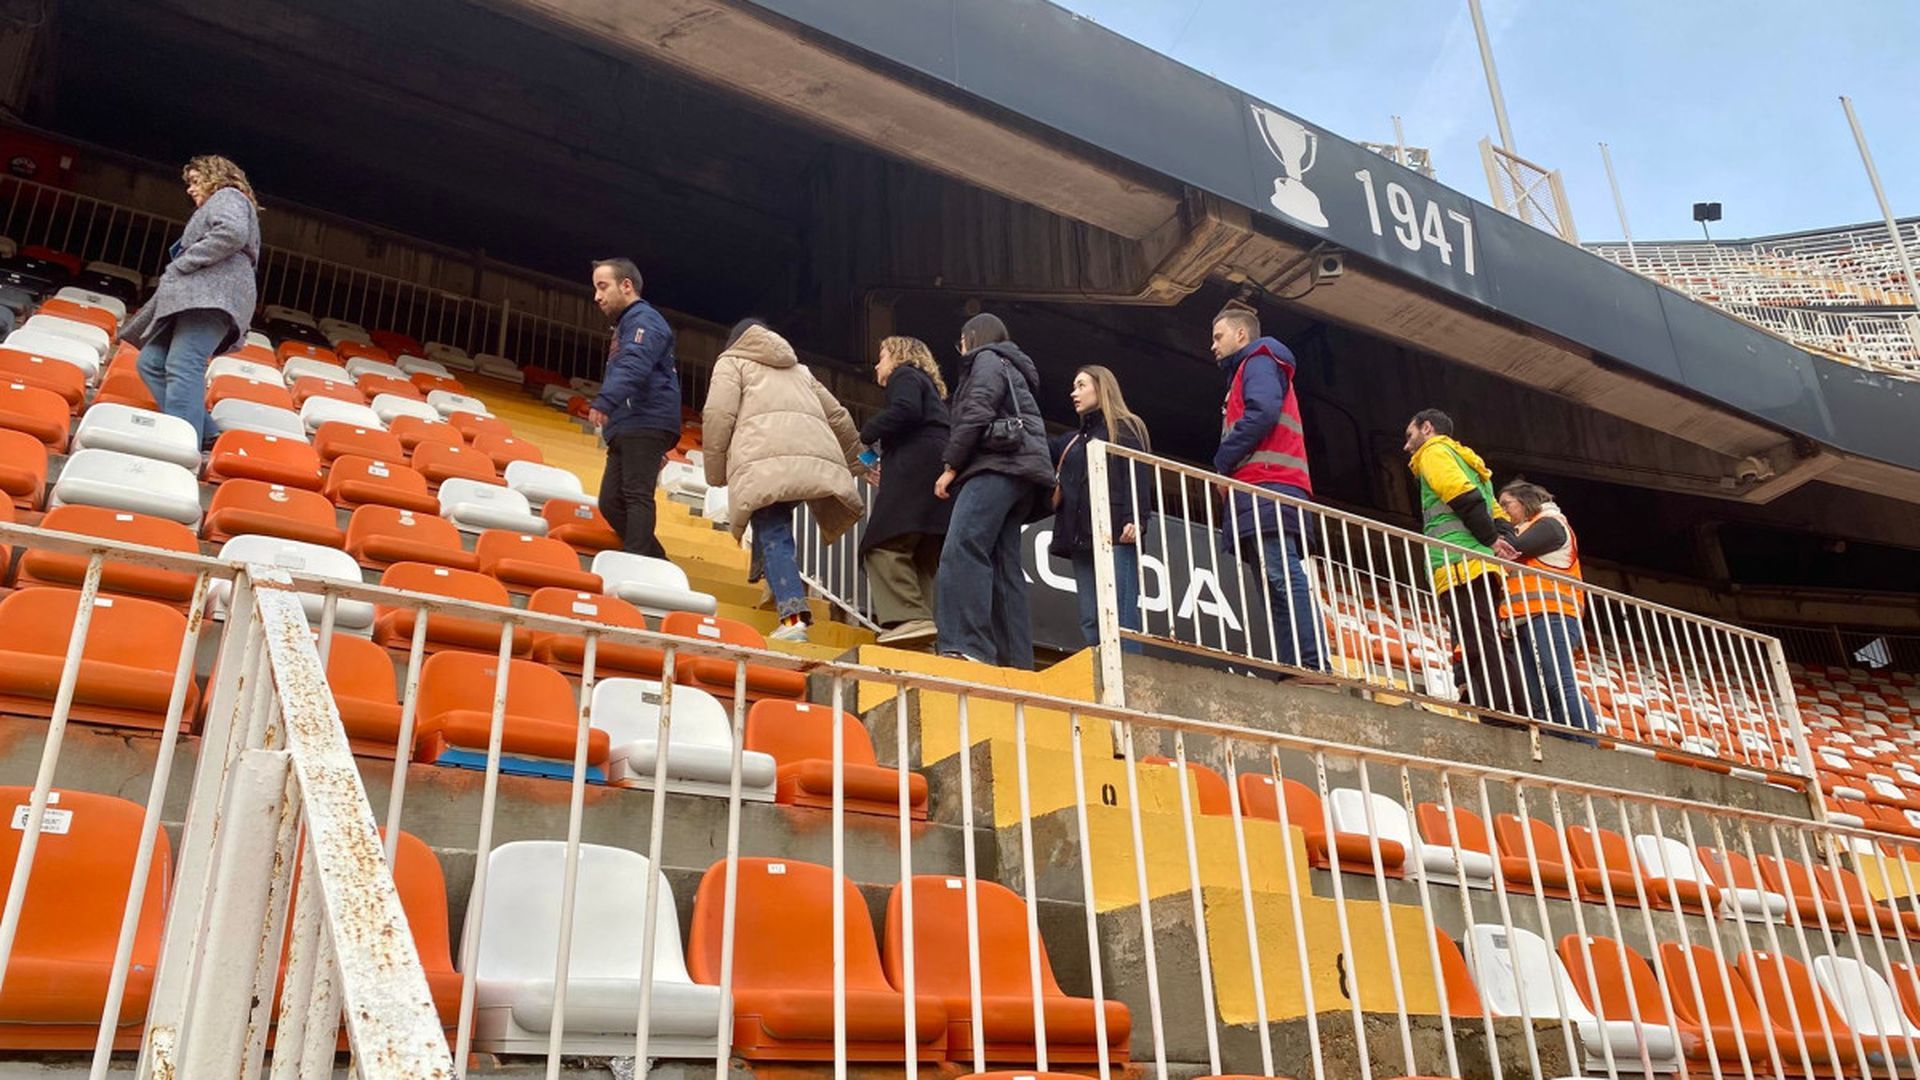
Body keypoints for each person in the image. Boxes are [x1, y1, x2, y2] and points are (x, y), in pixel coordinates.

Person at [702, 319, 864, 643]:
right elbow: (839, 416)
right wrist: (859, 460)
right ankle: (773, 592)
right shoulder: (799, 370)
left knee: (771, 526)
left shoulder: (732, 362)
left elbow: (718, 414)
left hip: (764, 460)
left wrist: (715, 472)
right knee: (773, 522)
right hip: (804, 459)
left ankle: (792, 618)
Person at [935, 313, 1053, 667]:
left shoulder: (986, 360)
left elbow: (976, 411)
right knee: (1005, 568)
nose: (961, 348)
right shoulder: (1013, 364)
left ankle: (965, 644)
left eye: (961, 340)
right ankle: (1016, 662)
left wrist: (951, 466)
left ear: (972, 336)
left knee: (962, 548)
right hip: (1021, 474)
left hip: (994, 466)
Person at [1210, 307, 1324, 672]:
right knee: (1273, 581)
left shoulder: (1258, 360)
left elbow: (1262, 412)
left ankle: (1311, 663)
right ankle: (1295, 667)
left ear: (1241, 335)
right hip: (1262, 485)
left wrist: (1222, 461)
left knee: (1280, 574)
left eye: (1218, 336)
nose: (1212, 346)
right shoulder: (1252, 368)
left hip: (1269, 484)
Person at [120, 155, 261, 448]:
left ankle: (181, 447)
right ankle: (205, 432)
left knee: (184, 364)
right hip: (199, 296)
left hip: (211, 295)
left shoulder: (227, 195)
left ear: (215, 177)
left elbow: (232, 233)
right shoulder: (229, 200)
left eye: (196, 181)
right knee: (151, 361)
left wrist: (185, 263)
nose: (190, 189)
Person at [1403, 408, 1526, 715]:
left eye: (1409, 435)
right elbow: (1497, 512)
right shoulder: (1468, 461)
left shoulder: (1433, 452)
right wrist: (1500, 541)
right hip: (1479, 563)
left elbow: (1463, 496)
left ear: (1427, 428)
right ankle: (1510, 710)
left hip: (1459, 563)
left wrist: (1491, 540)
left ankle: (1503, 715)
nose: (1406, 446)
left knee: (1478, 643)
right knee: (1487, 639)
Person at [858, 336, 952, 646]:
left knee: (882, 543)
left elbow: (905, 410)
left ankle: (909, 618)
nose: (877, 364)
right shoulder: (931, 390)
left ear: (899, 356)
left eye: (882, 355)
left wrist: (869, 431)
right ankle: (921, 634)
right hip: (937, 467)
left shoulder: (905, 374)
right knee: (921, 557)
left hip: (917, 465)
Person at [589, 257, 682, 559]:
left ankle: (638, 564)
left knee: (636, 496)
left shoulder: (645, 320)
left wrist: (606, 400)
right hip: (628, 424)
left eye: (603, 287)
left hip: (644, 420)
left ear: (626, 285)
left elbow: (635, 363)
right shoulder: (629, 324)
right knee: (610, 502)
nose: (597, 296)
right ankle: (659, 563)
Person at [1050, 365, 1148, 649]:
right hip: (1081, 536)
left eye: (1081, 385)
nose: (1074, 393)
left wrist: (1136, 518)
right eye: (1074, 386)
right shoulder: (1072, 440)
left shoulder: (1126, 426)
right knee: (1090, 617)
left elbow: (1136, 473)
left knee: (1121, 614)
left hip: (1117, 530)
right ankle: (1102, 681)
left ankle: (1129, 676)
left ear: (1101, 387)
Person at [1494, 480, 1600, 732]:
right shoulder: (1531, 528)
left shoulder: (1551, 524)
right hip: (1523, 619)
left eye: (1506, 504)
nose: (1504, 511)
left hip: (1551, 615)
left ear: (1526, 501)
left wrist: (1497, 527)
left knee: (1558, 684)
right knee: (1535, 692)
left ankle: (1586, 744)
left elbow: (1514, 550)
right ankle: (1558, 742)